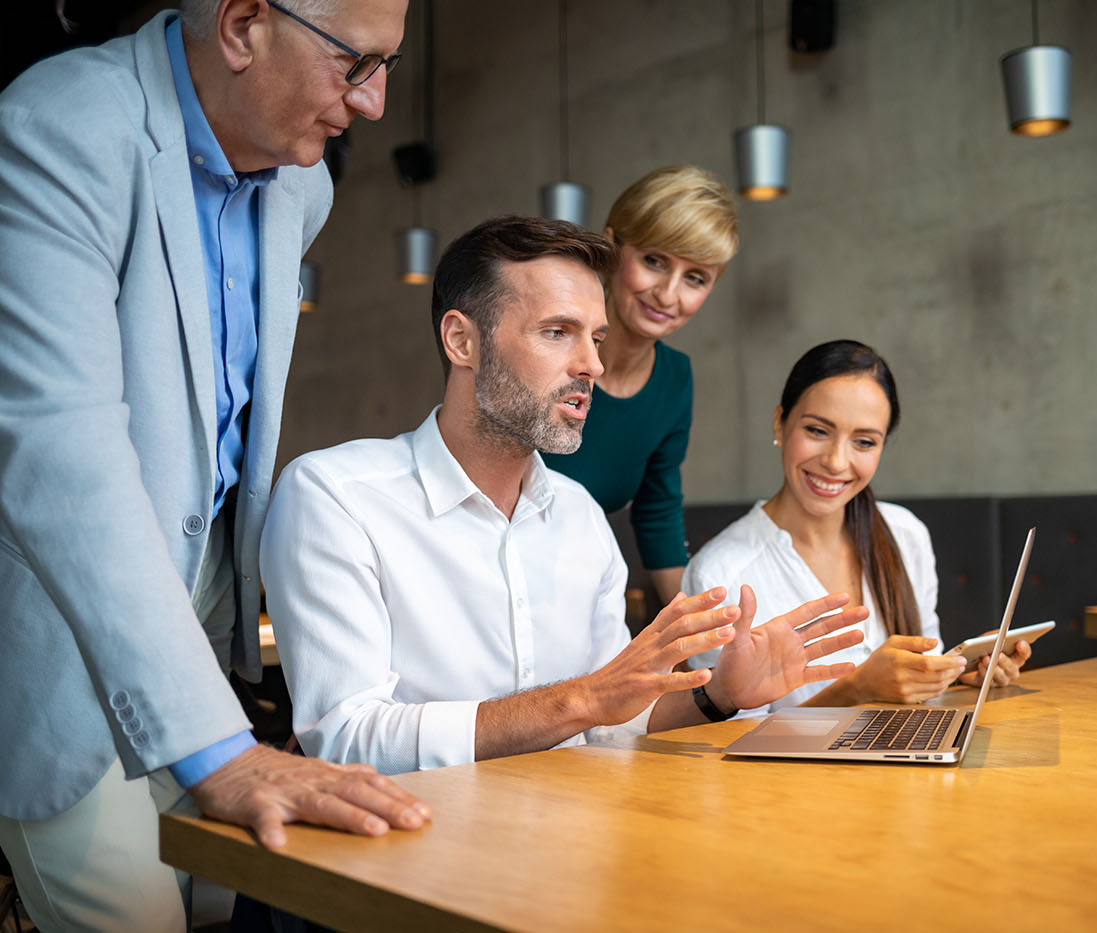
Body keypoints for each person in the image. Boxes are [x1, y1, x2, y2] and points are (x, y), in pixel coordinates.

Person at [0, 2, 431, 930]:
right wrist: (220, 752)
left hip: (208, 655)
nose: (377, 104)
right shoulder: (60, 127)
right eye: (357, 65)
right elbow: (60, 445)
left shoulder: (299, 188)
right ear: (243, 25)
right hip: (65, 662)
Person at [259, 216, 866, 774]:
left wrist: (717, 695)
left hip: (573, 853)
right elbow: (348, 738)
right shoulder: (335, 495)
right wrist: (579, 700)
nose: (593, 365)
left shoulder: (579, 514)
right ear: (461, 341)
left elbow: (613, 721)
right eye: (558, 332)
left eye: (597, 339)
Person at [682, 340, 1033, 716]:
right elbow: (729, 745)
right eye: (818, 430)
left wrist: (960, 670)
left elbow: (920, 671)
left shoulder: (905, 533)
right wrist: (857, 689)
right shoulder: (719, 575)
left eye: (864, 442)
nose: (836, 462)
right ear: (779, 423)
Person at [542, 166, 738, 605]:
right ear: (612, 248)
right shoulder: (547, 347)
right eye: (654, 261)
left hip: (578, 596)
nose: (668, 295)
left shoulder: (674, 380)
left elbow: (657, 514)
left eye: (695, 278)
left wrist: (695, 640)